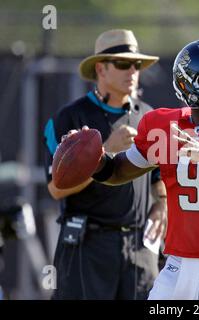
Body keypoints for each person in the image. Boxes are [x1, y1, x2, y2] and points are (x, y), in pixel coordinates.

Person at [62, 39, 199, 300]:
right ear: (186, 84)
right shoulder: (164, 126)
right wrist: (94, 159)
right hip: (179, 265)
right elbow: (117, 172)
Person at [43, 29, 167, 300]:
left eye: (136, 64)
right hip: (88, 248)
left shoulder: (149, 116)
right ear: (101, 68)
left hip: (140, 248)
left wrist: (162, 205)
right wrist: (105, 150)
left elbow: (159, 177)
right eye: (123, 64)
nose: (132, 71)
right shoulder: (70, 117)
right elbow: (55, 189)